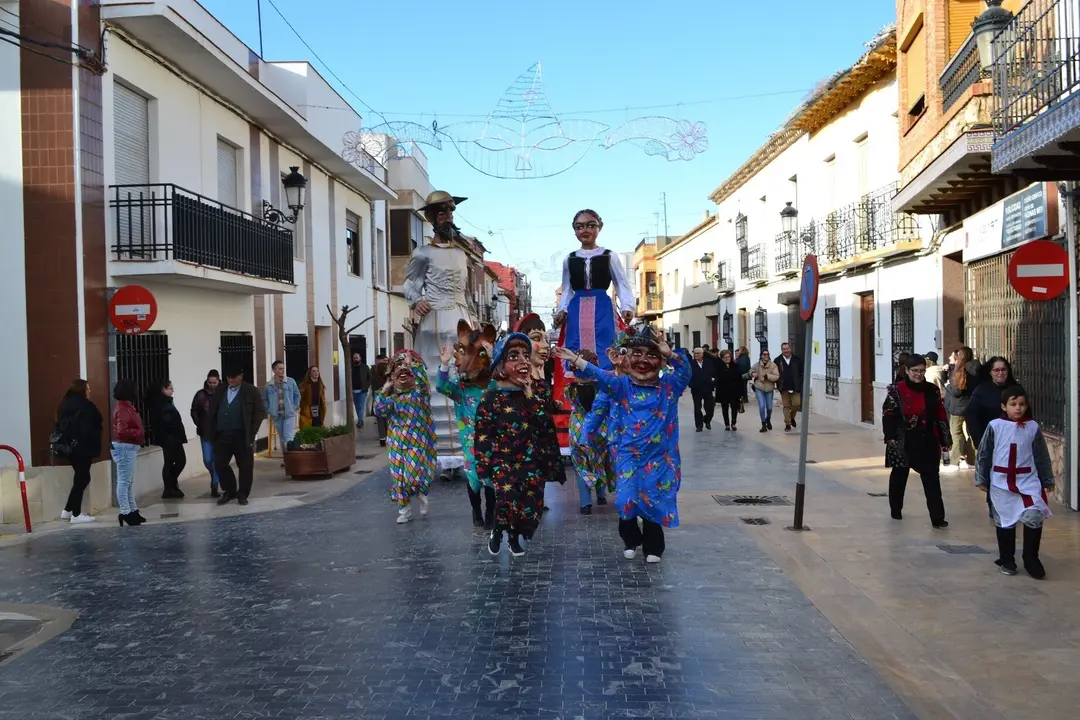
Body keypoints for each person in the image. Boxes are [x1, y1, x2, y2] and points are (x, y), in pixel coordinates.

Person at [556, 326, 689, 564]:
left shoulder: (669, 387)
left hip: (659, 458)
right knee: (625, 500)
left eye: (651, 355)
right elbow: (600, 377)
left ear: (660, 361)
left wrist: (670, 354)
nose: (643, 360)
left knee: (652, 500)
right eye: (637, 353)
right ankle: (630, 538)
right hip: (627, 455)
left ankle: (653, 547)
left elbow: (685, 372)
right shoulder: (621, 386)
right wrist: (575, 359)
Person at [403, 190, 475, 469]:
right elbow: (410, 284)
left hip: (461, 320)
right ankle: (438, 453)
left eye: (451, 211)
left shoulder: (460, 253)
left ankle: (464, 447)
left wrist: (473, 320)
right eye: (443, 212)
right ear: (432, 218)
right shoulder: (422, 253)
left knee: (463, 378)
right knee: (434, 382)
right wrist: (416, 300)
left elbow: (466, 292)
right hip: (434, 321)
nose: (448, 216)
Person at [475, 333, 548, 556]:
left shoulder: (532, 394)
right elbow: (483, 435)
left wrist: (530, 395)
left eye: (526, 355)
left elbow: (543, 425)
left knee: (527, 504)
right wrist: (483, 467)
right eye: (514, 356)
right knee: (507, 500)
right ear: (501, 365)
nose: (523, 361)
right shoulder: (490, 398)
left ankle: (514, 538)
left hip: (529, 461)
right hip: (503, 460)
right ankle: (498, 530)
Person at [975, 386, 1053, 579]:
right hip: (1001, 484)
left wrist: (1047, 478)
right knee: (1005, 521)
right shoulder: (995, 426)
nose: (1018, 408)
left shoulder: (1032, 427)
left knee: (1034, 515)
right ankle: (1007, 559)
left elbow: (1041, 455)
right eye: (1013, 404)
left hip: (1027, 482)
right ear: (1004, 406)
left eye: (1022, 404)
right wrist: (981, 478)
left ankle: (1031, 558)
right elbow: (984, 453)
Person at [553, 209, 636, 372]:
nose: (585, 230)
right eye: (579, 227)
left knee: (605, 344)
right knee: (575, 346)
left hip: (602, 308)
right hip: (576, 309)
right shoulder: (569, 259)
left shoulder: (609, 256)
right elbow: (567, 289)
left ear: (600, 227)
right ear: (574, 230)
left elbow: (621, 283)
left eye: (591, 225)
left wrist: (627, 306)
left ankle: (605, 380)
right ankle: (578, 381)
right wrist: (562, 309)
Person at [435, 320, 498, 528]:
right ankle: (476, 511)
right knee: (473, 479)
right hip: (470, 444)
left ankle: (490, 513)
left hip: (491, 442)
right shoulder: (460, 390)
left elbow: (501, 379)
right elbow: (441, 386)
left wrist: (492, 357)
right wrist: (444, 364)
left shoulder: (492, 387)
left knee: (491, 479)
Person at [882, 354, 951, 528]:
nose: (918, 374)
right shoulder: (896, 390)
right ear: (907, 370)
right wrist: (890, 436)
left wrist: (945, 438)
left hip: (927, 439)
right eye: (915, 371)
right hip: (903, 439)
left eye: (921, 371)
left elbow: (940, 414)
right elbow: (888, 414)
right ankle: (896, 509)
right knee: (899, 475)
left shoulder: (932, 390)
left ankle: (937, 517)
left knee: (931, 478)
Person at [374, 350, 436, 524]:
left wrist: (412, 366)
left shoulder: (420, 395)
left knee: (411, 476)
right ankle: (404, 510)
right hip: (395, 442)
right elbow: (379, 410)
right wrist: (384, 390)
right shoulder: (393, 399)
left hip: (416, 440)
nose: (402, 370)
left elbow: (424, 384)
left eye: (405, 367)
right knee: (398, 478)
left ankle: (421, 491)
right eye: (398, 367)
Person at [206, 367, 266, 506]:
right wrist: (211, 430)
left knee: (245, 466)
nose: (231, 380)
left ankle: (243, 494)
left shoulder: (250, 391)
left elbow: (259, 411)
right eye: (228, 377)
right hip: (222, 434)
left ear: (241, 376)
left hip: (241, 434)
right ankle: (229, 491)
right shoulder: (221, 389)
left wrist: (252, 432)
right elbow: (213, 410)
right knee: (220, 463)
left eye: (234, 377)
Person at [566, 348, 611, 515]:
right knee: (599, 460)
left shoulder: (570, 389)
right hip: (600, 427)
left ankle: (585, 503)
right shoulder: (602, 388)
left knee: (580, 464)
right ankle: (601, 495)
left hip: (578, 428)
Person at [54, 379, 102, 524]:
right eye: (87, 388)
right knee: (82, 478)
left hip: (70, 448)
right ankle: (76, 514)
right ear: (82, 390)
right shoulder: (85, 406)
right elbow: (87, 428)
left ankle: (68, 510)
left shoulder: (65, 404)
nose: (89, 391)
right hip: (83, 448)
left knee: (82, 477)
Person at [111, 379, 146, 526]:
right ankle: (125, 512)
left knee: (128, 481)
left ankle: (133, 510)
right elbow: (122, 431)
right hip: (125, 447)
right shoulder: (123, 408)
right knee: (124, 481)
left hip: (128, 446)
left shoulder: (126, 406)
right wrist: (139, 433)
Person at [147, 379, 187, 500]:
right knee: (178, 461)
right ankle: (169, 486)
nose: (172, 391)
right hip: (170, 438)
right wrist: (176, 434)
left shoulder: (164, 402)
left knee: (171, 462)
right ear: (163, 389)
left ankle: (171, 485)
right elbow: (168, 422)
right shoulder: (162, 403)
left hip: (170, 438)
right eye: (170, 388)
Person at [943, 346, 979, 470]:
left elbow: (957, 391)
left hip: (959, 407)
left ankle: (954, 462)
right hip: (972, 406)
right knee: (970, 433)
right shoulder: (976, 369)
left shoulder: (962, 370)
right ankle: (971, 461)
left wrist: (947, 385)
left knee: (956, 433)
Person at [190, 369, 222, 497]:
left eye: (214, 382)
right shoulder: (200, 395)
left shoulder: (224, 393)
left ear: (218, 381)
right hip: (206, 432)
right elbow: (194, 410)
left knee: (217, 459)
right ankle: (215, 475)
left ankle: (215, 484)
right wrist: (200, 423)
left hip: (220, 432)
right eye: (210, 382)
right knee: (208, 459)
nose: (212, 385)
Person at [264, 360, 300, 453]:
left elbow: (297, 395)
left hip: (289, 414)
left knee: (288, 437)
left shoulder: (290, 381)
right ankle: (285, 457)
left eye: (283, 368)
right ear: (274, 370)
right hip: (277, 415)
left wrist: (294, 407)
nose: (283, 370)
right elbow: (265, 400)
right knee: (282, 438)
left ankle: (290, 458)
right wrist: (269, 410)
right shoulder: (269, 385)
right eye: (280, 369)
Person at [747, 349, 780, 432]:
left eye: (767, 354)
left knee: (769, 408)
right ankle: (763, 424)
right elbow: (750, 370)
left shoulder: (773, 365)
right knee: (761, 405)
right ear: (761, 355)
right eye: (764, 354)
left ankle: (768, 419)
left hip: (769, 389)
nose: (766, 356)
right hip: (759, 388)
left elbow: (776, 376)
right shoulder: (757, 365)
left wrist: (767, 376)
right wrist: (753, 373)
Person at [776, 342, 804, 432]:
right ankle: (787, 424)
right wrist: (778, 384)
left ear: (790, 349)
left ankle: (791, 418)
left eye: (787, 348)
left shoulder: (797, 360)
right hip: (783, 387)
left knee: (797, 404)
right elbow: (775, 373)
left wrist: (799, 383)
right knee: (786, 406)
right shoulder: (777, 360)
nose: (786, 351)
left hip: (795, 387)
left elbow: (801, 373)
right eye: (784, 349)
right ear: (782, 350)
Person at [714, 348, 743, 431]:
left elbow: (739, 379)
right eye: (725, 357)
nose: (727, 359)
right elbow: (718, 379)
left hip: (734, 391)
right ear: (722, 358)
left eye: (728, 357)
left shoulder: (735, 366)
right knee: (725, 408)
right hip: (724, 391)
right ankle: (727, 424)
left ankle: (733, 423)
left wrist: (741, 392)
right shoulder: (719, 367)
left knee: (734, 408)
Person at [688, 347, 715, 432]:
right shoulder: (691, 364)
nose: (696, 355)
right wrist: (691, 384)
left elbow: (714, 373)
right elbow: (688, 375)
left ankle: (707, 419)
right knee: (697, 408)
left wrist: (713, 382)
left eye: (698, 353)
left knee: (710, 407)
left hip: (707, 388)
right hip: (696, 389)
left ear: (702, 354)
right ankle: (699, 425)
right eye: (695, 353)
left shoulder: (708, 362)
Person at [371, 353, 390, 446]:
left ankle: (382, 438)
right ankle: (388, 436)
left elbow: (373, 386)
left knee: (380, 419)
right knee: (387, 418)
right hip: (388, 397)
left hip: (378, 398)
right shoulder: (388, 376)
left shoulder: (374, 374)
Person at [351, 352, 371, 429]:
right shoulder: (351, 367)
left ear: (360, 358)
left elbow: (370, 377)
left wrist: (367, 386)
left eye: (357, 357)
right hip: (353, 390)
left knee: (360, 406)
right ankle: (360, 420)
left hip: (362, 391)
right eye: (354, 358)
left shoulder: (365, 367)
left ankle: (360, 421)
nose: (355, 359)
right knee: (356, 406)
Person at [734, 346, 751, 413]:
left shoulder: (742, 357)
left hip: (742, 375)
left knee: (742, 386)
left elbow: (742, 367)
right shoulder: (746, 357)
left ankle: (744, 398)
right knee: (744, 386)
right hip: (745, 374)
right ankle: (745, 397)